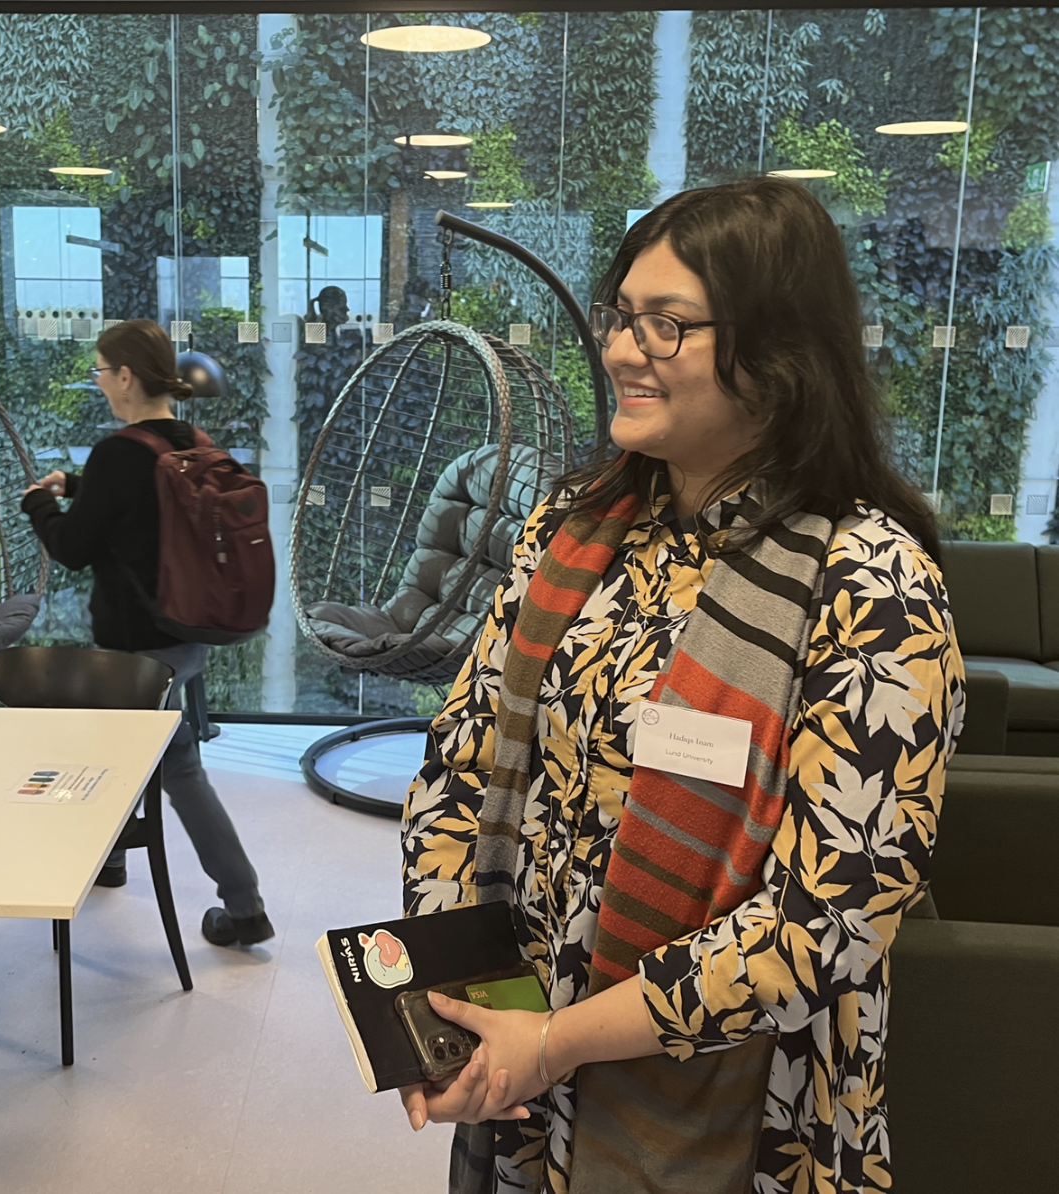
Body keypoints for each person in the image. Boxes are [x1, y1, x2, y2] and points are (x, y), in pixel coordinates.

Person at [399, 177, 963, 1194]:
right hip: (529, 1083)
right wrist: (460, 1001)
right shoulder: (574, 529)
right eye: (623, 317)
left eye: (667, 328)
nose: (620, 350)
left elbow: (824, 920)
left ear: (781, 357)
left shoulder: (871, 586)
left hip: (736, 1114)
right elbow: (462, 760)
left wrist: (565, 1038)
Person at [21, 319, 272, 947]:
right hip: (187, 638)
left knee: (170, 767)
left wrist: (41, 505)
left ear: (126, 376)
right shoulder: (187, 438)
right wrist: (78, 488)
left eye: (102, 372)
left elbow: (74, 548)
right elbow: (143, 510)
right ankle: (113, 861)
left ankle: (244, 908)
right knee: (144, 754)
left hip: (134, 653)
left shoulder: (117, 452)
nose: (100, 383)